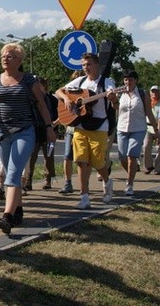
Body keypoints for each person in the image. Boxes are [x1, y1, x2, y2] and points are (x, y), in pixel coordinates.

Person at [0, 43, 56, 234]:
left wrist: (49, 127)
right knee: (11, 172)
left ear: (19, 60)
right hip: (2, 133)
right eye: (3, 55)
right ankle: (18, 209)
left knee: (13, 173)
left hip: (24, 131)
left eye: (9, 56)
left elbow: (42, 105)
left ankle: (7, 216)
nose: (5, 58)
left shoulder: (28, 80)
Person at [54, 53, 116, 210]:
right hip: (80, 126)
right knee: (81, 161)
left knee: (97, 162)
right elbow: (58, 91)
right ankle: (84, 197)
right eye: (83, 65)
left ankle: (107, 182)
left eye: (88, 64)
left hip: (99, 126)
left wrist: (113, 98)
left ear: (96, 65)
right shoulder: (80, 81)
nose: (86, 68)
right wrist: (67, 99)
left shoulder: (106, 82)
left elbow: (115, 103)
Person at [115, 70, 158, 196]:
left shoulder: (142, 93)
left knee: (132, 155)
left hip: (138, 128)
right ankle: (132, 169)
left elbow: (149, 112)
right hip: (122, 128)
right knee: (122, 156)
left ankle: (129, 184)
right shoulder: (120, 93)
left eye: (131, 79)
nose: (128, 82)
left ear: (136, 80)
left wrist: (156, 131)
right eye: (126, 79)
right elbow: (115, 108)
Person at [24, 77, 58, 191]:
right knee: (31, 156)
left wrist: (54, 125)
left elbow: (59, 114)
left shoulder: (52, 99)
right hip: (35, 130)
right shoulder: (32, 99)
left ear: (44, 87)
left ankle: (47, 179)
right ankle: (28, 180)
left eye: (39, 86)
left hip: (49, 130)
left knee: (48, 156)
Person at [58, 70, 85, 195]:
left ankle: (84, 185)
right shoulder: (67, 94)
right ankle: (67, 183)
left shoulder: (87, 93)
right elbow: (64, 112)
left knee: (83, 159)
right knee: (67, 156)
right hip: (71, 129)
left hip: (84, 129)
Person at [142, 85, 160, 175]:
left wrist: (159, 130)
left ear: (159, 93)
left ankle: (157, 168)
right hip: (148, 127)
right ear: (150, 93)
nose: (154, 93)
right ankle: (148, 166)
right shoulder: (146, 103)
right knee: (146, 146)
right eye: (153, 91)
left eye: (156, 91)